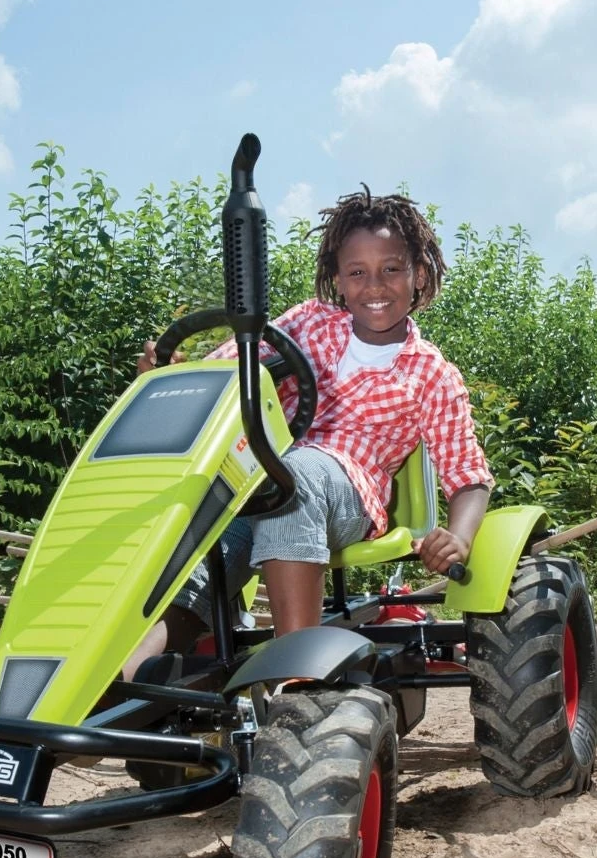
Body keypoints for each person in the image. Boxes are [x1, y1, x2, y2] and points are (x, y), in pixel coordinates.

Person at [128, 186, 491, 673]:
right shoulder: (308, 323)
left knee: (293, 477)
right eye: (357, 272)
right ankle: (122, 688)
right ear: (339, 280)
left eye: (391, 269)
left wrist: (460, 538)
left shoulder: (431, 374)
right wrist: (169, 376)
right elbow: (224, 377)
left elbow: (468, 474)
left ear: (418, 275)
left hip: (346, 496)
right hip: (254, 485)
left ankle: (297, 675)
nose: (374, 286)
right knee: (202, 546)